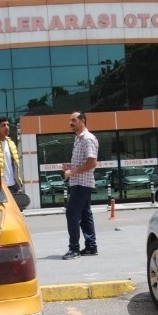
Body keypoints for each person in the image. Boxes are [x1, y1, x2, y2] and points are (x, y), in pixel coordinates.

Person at [61, 111, 98, 259]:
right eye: (70, 120)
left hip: (83, 184)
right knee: (85, 214)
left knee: (72, 213)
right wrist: (70, 168)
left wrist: (72, 172)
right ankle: (91, 246)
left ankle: (74, 249)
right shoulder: (78, 138)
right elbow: (84, 162)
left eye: (74, 120)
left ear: (82, 121)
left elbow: (92, 162)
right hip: (78, 183)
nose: (71, 123)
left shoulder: (88, 139)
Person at [0, 116, 22, 195]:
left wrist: (17, 181)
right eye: (3, 125)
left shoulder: (11, 143)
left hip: (13, 186)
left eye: (8, 125)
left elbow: (15, 164)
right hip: (0, 187)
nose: (6, 127)